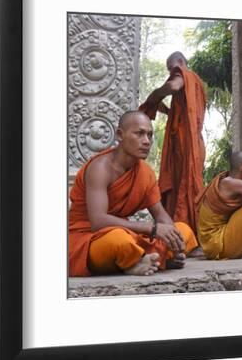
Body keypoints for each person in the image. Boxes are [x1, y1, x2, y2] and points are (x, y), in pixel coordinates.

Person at [68, 111, 198, 277]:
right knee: (118, 241)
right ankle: (150, 259)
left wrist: (174, 240)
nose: (146, 141)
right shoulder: (100, 168)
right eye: (139, 134)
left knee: (183, 230)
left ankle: (138, 260)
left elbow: (160, 215)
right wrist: (153, 229)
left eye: (150, 135)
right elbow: (98, 222)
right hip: (88, 239)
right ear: (120, 135)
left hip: (127, 234)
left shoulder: (146, 173)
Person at [139, 51, 206, 233]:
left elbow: (174, 86)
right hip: (195, 142)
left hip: (186, 142)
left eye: (171, 69)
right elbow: (184, 111)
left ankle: (186, 231)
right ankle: (183, 230)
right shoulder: (198, 84)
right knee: (184, 183)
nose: (171, 73)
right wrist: (167, 110)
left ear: (179, 63)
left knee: (186, 183)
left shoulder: (185, 75)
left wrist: (154, 95)